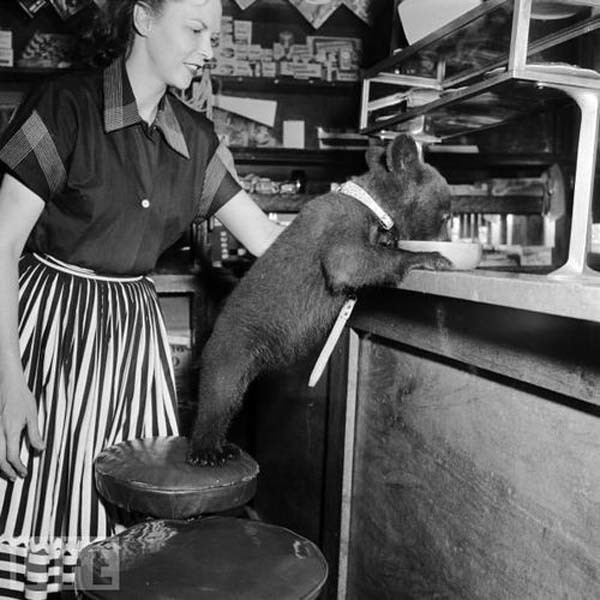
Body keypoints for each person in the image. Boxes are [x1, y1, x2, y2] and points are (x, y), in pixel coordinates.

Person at [0, 0, 282, 597]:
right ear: (144, 19)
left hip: (131, 343)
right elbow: (0, 246)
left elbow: (267, 241)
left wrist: (364, 229)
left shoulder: (197, 140)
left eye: (215, 35)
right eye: (197, 30)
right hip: (49, 334)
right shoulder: (64, 106)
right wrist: (9, 382)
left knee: (122, 521)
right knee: (43, 500)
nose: (209, 50)